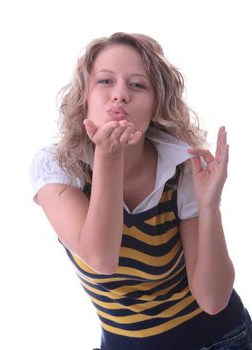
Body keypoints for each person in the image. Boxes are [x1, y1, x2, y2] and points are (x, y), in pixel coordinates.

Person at [30, 32, 252, 350]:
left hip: (219, 339)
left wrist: (209, 205)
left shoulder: (181, 166)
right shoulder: (57, 167)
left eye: (137, 85)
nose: (120, 95)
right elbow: (101, 258)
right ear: (84, 96)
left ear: (155, 104)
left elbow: (213, 300)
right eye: (105, 81)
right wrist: (109, 155)